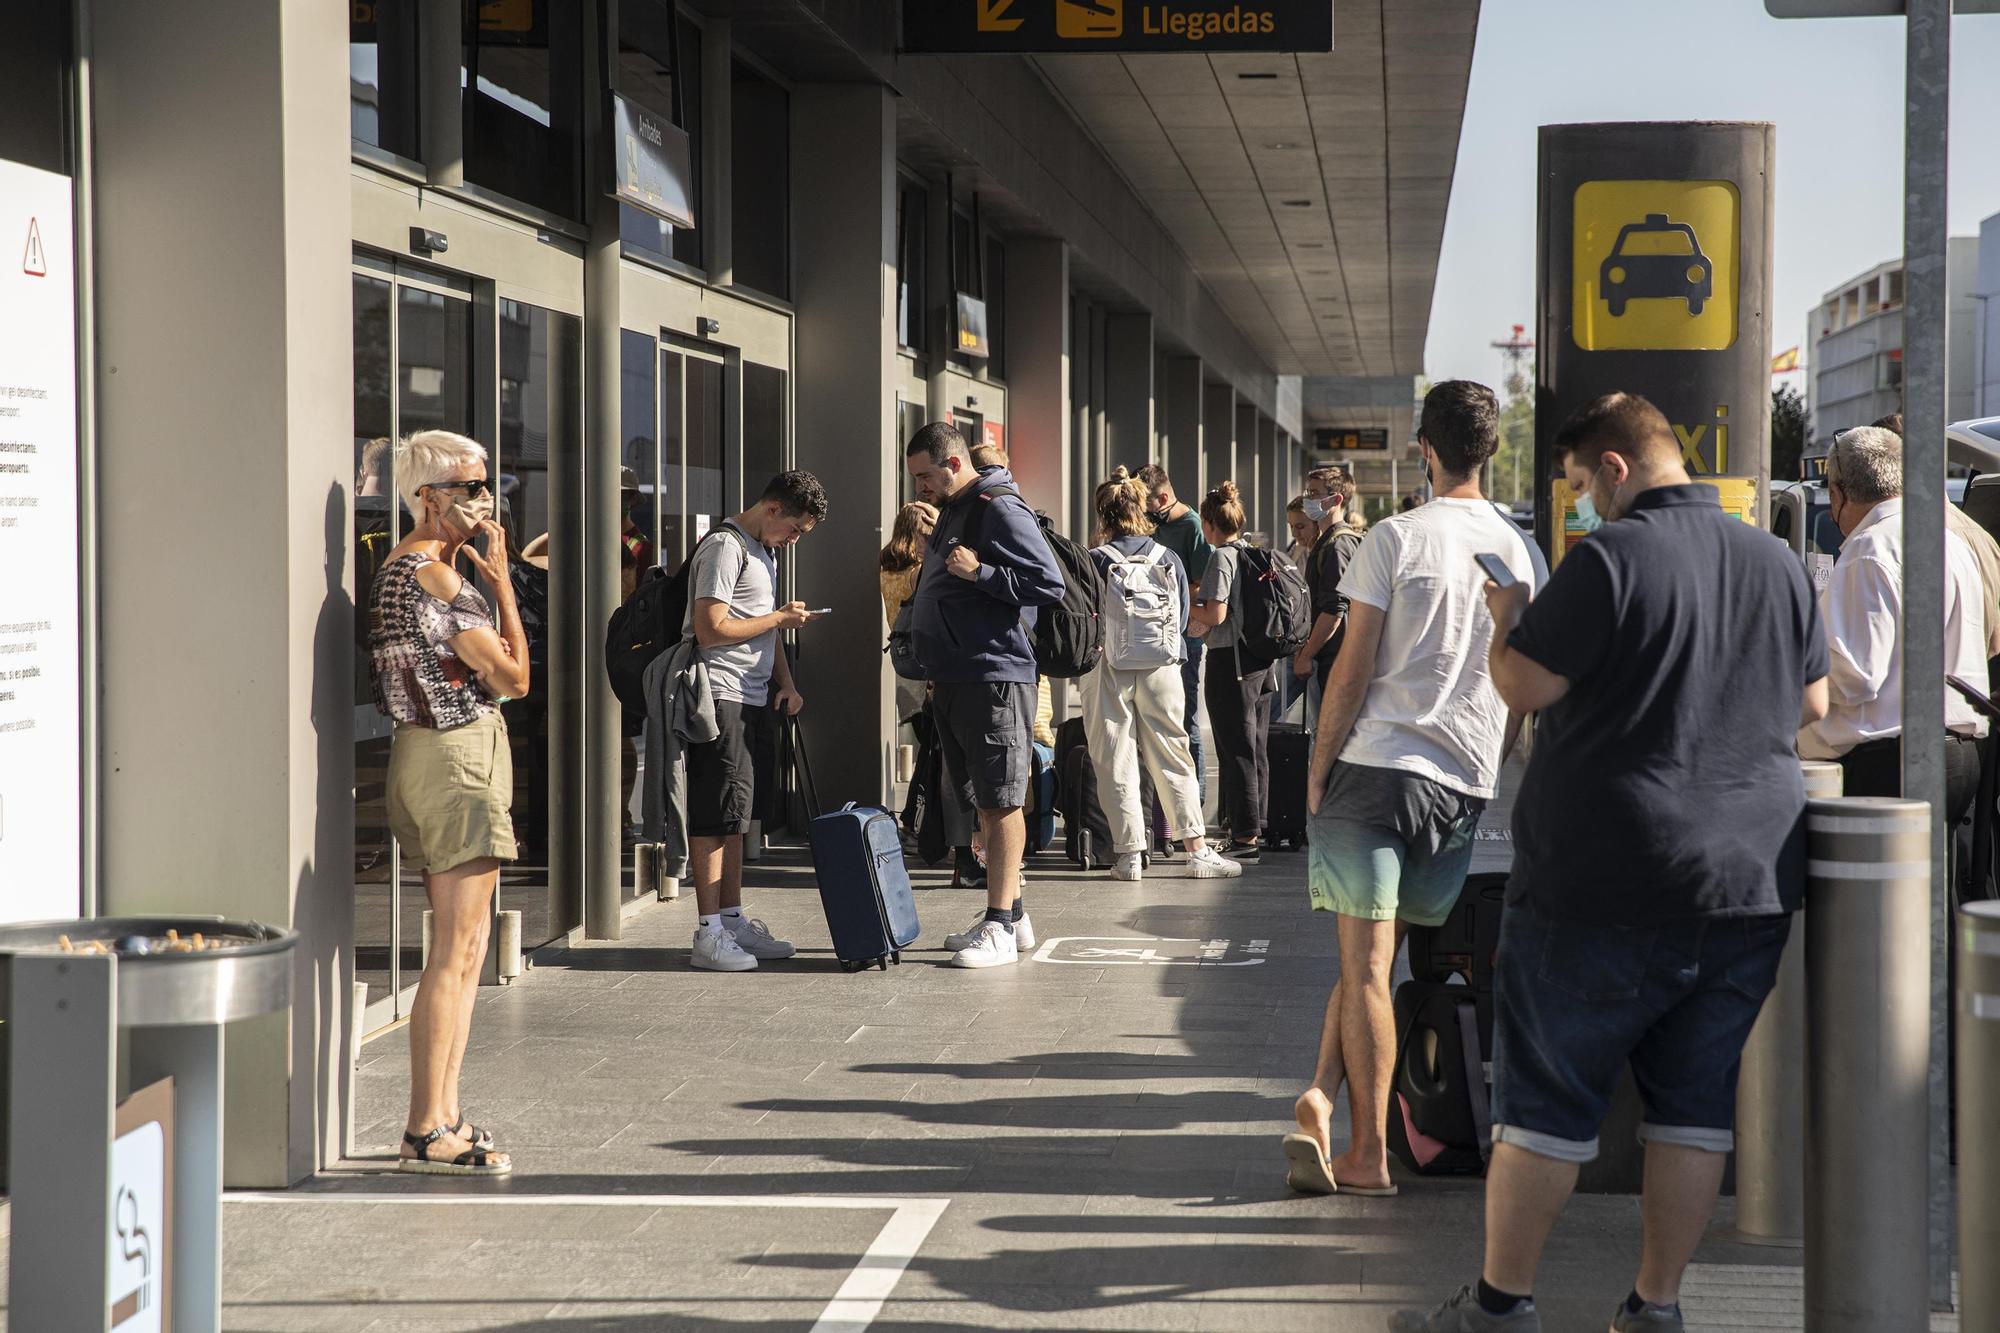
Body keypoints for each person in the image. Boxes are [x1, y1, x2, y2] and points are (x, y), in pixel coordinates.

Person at [1392, 392, 1830, 1333]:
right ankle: (1655, 1306)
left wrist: (1510, 612)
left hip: (1603, 883)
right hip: (1748, 886)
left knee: (1547, 1103)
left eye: (1582, 485)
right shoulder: (1777, 562)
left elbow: (1524, 681)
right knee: (1694, 1109)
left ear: (1619, 468)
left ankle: (1503, 1305)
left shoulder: (1612, 560)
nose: (1582, 503)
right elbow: (1814, 705)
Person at [1288, 382, 1532, 1199]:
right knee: (1375, 959)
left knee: (1365, 964)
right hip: (1459, 786)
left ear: (1425, 449)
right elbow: (1515, 683)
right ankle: (1319, 1095)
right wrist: (1487, 770)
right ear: (1490, 451)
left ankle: (1368, 1157)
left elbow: (1350, 673)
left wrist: (1318, 768)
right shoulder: (1517, 551)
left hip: (1377, 773)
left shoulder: (1392, 539)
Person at [370, 430, 529, 1177]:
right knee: (458, 951)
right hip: (455, 756)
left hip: (435, 754)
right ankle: (427, 1124)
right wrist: (501, 583)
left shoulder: (408, 569)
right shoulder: (431, 576)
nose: (483, 498)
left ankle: (444, 1116)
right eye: (469, 487)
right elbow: (515, 678)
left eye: (485, 484)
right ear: (429, 496)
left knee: (465, 951)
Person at [906, 422, 1065, 968]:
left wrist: (983, 575)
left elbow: (1049, 582)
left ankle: (999, 924)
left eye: (925, 476)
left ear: (952, 464)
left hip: (994, 675)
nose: (919, 487)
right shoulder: (955, 508)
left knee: (1001, 800)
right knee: (981, 798)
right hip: (956, 676)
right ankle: (1012, 916)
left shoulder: (997, 506)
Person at [679, 470, 829, 972]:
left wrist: (785, 681)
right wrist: (780, 621)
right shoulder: (725, 547)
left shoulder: (762, 551)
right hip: (719, 694)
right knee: (714, 813)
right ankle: (708, 932)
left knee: (738, 815)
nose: (794, 540)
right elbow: (710, 629)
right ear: (772, 509)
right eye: (795, 529)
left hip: (753, 694)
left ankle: (732, 916)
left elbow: (762, 628)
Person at [1797, 426, 1986, 819]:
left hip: (1887, 763)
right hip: (1953, 753)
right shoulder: (1947, 539)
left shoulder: (1871, 548)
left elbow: (1855, 674)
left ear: (1837, 493)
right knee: (1930, 881)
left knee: (1869, 881)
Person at [1082, 473, 1244, 882]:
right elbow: (1185, 612)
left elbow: (1084, 618)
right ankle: (1196, 849)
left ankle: (1129, 855)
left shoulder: (1096, 560)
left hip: (1109, 668)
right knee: (1173, 752)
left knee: (1115, 758)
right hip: (1162, 668)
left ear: (1104, 517)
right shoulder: (1166, 557)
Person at [1871, 412, 2000, 661]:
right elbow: (1994, 643)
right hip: (1970, 687)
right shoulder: (1982, 537)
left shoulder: (1896, 537)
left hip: (1919, 692)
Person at [1186, 481, 1271, 859]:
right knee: (1255, 747)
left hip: (1230, 662)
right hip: (1258, 662)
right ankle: (1257, 825)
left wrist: (1186, 603)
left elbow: (1216, 614)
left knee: (1234, 747)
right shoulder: (1251, 551)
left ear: (1208, 523)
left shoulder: (1221, 557)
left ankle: (1244, 838)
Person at [1138, 465, 1214, 806]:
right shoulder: (1157, 524)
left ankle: (1193, 802)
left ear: (1163, 498)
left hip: (1182, 634)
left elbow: (1200, 584)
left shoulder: (1190, 526)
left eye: (1147, 504)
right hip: (1152, 631)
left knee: (1186, 720)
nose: (1144, 513)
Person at [1291, 466, 1363, 699]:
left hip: (1333, 661)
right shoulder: (1333, 541)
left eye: (1314, 494)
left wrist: (1307, 655)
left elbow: (1334, 610)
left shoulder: (1336, 546)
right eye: (1307, 492)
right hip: (1335, 658)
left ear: (1336, 499)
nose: (1307, 499)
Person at [881, 500, 938, 725]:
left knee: (923, 736)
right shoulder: (918, 572)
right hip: (927, 662)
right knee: (936, 740)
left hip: (904, 657)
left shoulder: (888, 569)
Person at [1285, 496, 1316, 566]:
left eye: (1300, 527)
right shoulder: (1295, 550)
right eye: (1291, 526)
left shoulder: (1328, 553)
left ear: (1317, 524)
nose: (1294, 534)